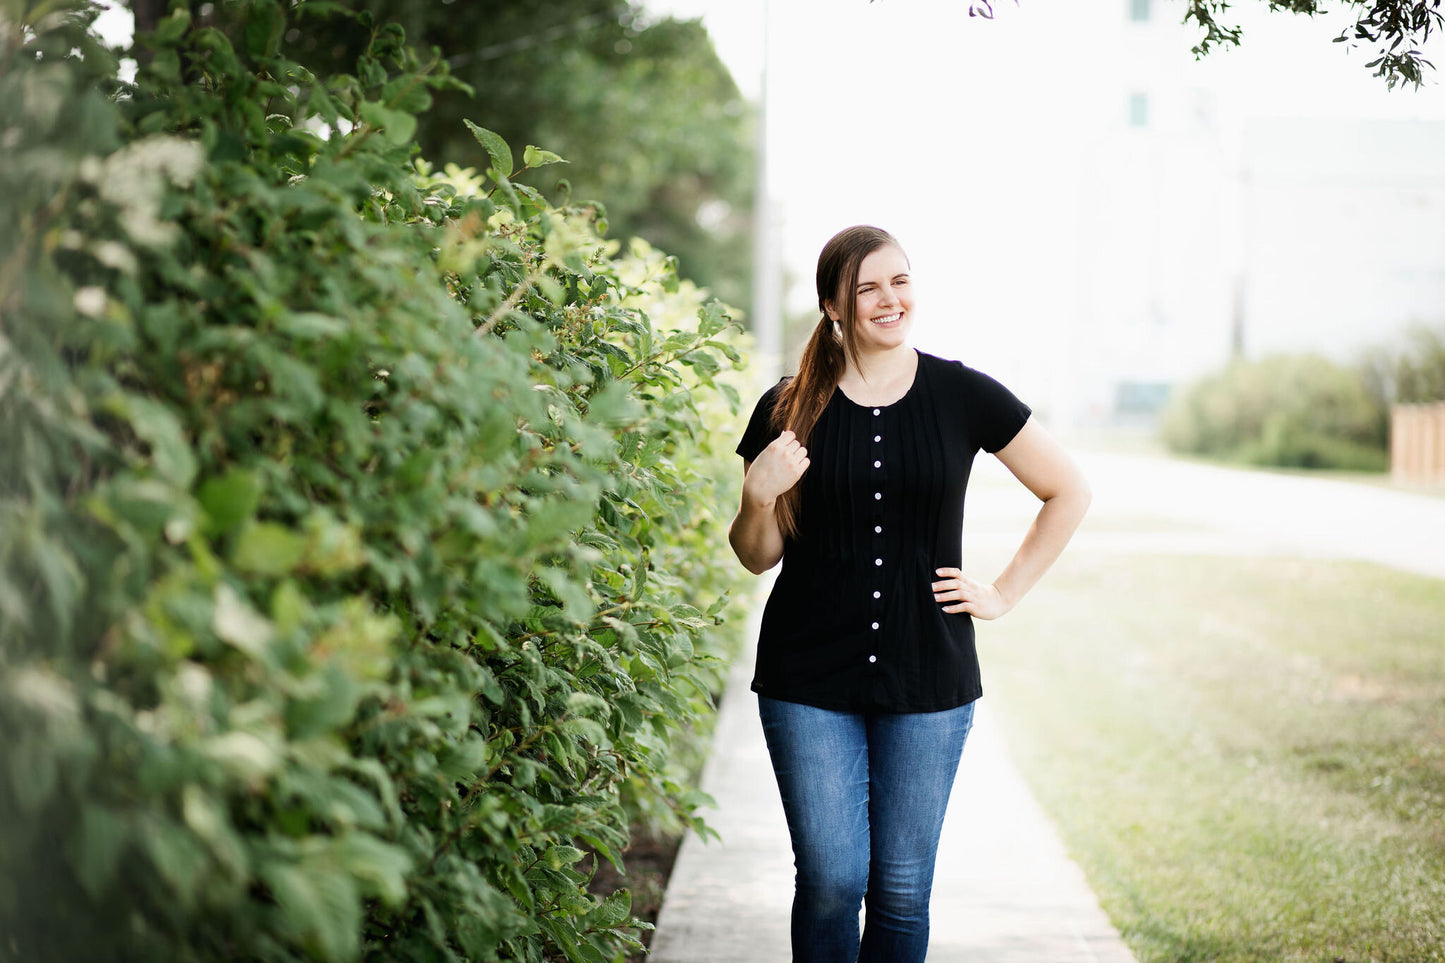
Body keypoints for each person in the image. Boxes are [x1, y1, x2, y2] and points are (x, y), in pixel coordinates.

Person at [728, 225, 1091, 963]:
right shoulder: (786, 406)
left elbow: (1067, 489)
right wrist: (756, 500)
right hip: (806, 677)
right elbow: (754, 556)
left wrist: (1002, 592)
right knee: (832, 879)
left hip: (929, 675)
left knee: (899, 891)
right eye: (867, 287)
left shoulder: (962, 394)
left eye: (900, 280)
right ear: (833, 305)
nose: (890, 299)